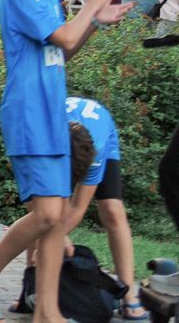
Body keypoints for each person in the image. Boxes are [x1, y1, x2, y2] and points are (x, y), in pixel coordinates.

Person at [0, 0, 133, 323]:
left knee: (54, 219)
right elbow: (65, 36)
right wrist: (89, 8)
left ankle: (48, 312)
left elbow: (63, 49)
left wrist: (93, 21)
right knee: (49, 215)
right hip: (29, 114)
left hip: (52, 114)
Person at [51, 97, 149, 321]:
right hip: (61, 141)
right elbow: (41, 211)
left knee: (112, 210)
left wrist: (56, 235)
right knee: (45, 216)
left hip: (99, 128)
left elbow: (78, 206)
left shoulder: (95, 151)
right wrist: (50, 235)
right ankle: (30, 289)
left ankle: (128, 295)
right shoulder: (45, 140)